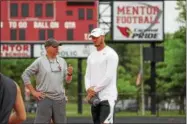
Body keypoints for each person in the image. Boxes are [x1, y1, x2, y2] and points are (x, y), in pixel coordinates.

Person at [21, 38, 73, 124]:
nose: (57, 48)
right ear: (47, 48)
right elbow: (25, 75)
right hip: (45, 98)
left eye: (58, 46)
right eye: (54, 46)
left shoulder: (62, 61)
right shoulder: (40, 61)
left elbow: (67, 81)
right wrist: (33, 92)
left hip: (60, 99)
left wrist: (70, 74)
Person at [85, 28, 119, 124]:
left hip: (107, 97)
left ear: (103, 37)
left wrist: (93, 90)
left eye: (96, 37)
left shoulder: (111, 54)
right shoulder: (91, 56)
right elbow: (87, 76)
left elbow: (108, 76)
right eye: (92, 38)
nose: (94, 39)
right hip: (94, 98)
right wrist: (88, 89)